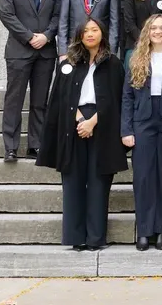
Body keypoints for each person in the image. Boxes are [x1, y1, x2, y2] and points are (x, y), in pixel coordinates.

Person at [37, 17, 127, 251]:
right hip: (73, 123)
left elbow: (117, 99)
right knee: (73, 181)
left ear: (102, 34)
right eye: (85, 30)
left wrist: (93, 121)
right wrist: (80, 120)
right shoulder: (68, 63)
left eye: (94, 29)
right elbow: (60, 97)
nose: (90, 34)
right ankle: (76, 237)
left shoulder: (114, 63)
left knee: (99, 182)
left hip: (103, 124)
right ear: (79, 35)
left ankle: (96, 238)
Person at [121, 14, 162, 251]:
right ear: (147, 31)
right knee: (143, 177)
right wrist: (126, 129)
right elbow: (127, 96)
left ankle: (161, 231)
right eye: (153, 28)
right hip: (143, 120)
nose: (158, 32)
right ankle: (144, 230)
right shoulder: (135, 57)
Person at [0, 0, 61, 163]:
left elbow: (58, 16)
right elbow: (7, 15)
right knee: (14, 100)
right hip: (19, 51)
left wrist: (46, 36)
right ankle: (11, 147)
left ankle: (36, 145)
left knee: (39, 101)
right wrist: (29, 36)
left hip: (45, 52)